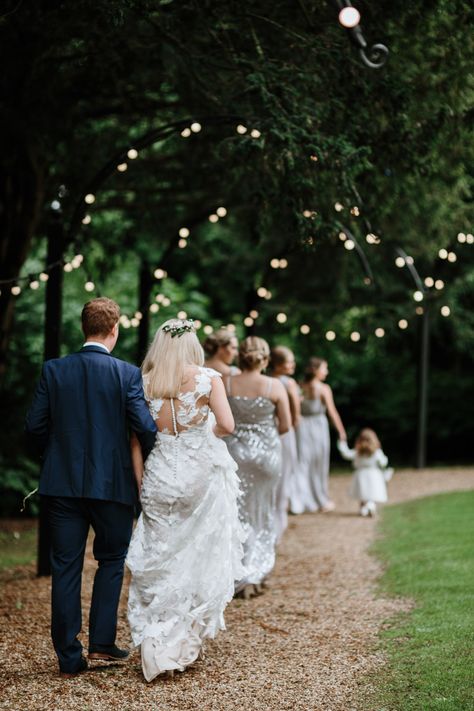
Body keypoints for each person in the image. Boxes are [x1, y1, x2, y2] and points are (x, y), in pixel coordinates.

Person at [25, 297, 157, 678]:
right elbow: (145, 427)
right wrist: (142, 460)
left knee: (64, 567)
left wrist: (51, 459)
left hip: (61, 484)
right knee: (112, 560)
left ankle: (69, 657)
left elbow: (34, 427)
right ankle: (102, 643)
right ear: (114, 329)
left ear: (84, 327)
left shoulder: (54, 370)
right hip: (112, 485)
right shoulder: (126, 374)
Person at [126, 318, 246, 682]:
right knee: (195, 554)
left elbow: (134, 440)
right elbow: (227, 426)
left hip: (159, 474)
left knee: (159, 555)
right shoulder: (209, 379)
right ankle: (177, 641)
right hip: (198, 476)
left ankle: (155, 636)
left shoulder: (145, 382)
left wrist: (140, 482)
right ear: (190, 343)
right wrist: (200, 434)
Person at [224, 336, 291, 599]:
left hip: (235, 455)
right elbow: (285, 425)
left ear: (241, 356)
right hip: (267, 458)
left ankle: (237, 574)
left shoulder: (225, 382)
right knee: (262, 512)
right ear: (265, 359)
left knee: (236, 513)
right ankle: (256, 572)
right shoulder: (274, 386)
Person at [297, 358, 347, 513]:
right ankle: (321, 499)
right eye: (324, 368)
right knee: (319, 463)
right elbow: (332, 412)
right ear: (316, 370)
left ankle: (304, 500)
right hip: (318, 426)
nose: (327, 372)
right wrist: (341, 430)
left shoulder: (299, 386)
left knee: (304, 462)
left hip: (302, 427)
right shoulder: (324, 388)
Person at [269, 345, 301, 538]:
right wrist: (293, 429)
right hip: (286, 431)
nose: (293, 365)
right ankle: (281, 515)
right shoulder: (288, 384)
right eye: (289, 362)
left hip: (270, 430)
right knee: (286, 470)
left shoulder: (268, 381)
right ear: (279, 365)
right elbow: (296, 414)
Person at [337, 428, 392, 516]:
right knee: (372, 494)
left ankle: (363, 509)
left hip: (360, 475)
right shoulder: (376, 452)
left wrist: (342, 443)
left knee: (362, 494)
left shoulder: (357, 452)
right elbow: (384, 462)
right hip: (374, 475)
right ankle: (371, 506)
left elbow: (346, 454)